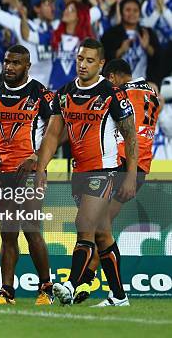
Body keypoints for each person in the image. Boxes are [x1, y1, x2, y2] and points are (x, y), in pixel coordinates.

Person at [35, 38, 137, 307]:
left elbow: (131, 135)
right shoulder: (65, 93)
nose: (83, 64)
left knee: (84, 225)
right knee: (102, 234)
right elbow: (53, 133)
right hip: (78, 172)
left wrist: (130, 174)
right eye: (80, 59)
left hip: (105, 171)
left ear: (101, 64)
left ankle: (71, 284)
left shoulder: (112, 93)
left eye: (90, 60)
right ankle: (119, 295)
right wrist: (41, 169)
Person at [73, 58, 161, 306]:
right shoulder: (150, 93)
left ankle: (93, 284)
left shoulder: (121, 94)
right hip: (141, 166)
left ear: (112, 77)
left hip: (124, 163)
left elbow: (123, 129)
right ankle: (96, 283)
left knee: (99, 227)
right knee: (103, 226)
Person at [0, 44, 55, 305]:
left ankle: (46, 288)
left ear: (27, 66)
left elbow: (57, 132)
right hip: (3, 173)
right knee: (7, 233)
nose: (9, 67)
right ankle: (6, 291)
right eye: (6, 62)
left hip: (30, 172)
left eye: (15, 63)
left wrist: (37, 158)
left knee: (31, 229)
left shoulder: (41, 94)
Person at [101, 0, 160, 83]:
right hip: (118, 84)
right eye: (128, 10)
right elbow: (104, 61)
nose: (132, 13)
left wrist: (147, 47)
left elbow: (158, 58)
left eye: (135, 10)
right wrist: (121, 51)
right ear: (121, 12)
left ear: (139, 13)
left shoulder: (148, 33)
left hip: (144, 83)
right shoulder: (110, 34)